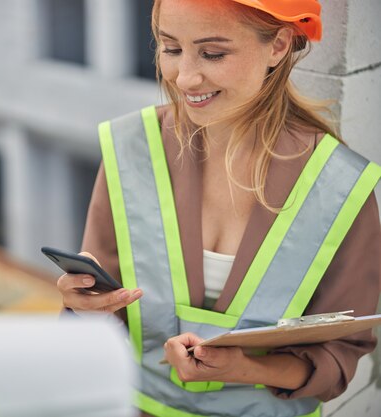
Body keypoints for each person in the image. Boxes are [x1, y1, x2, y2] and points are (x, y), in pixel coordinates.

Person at [56, 0, 381, 416]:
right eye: (170, 49)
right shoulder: (130, 149)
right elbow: (106, 321)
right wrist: (83, 307)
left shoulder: (340, 187)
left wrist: (245, 368)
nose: (184, 77)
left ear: (279, 46)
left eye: (212, 53)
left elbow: (338, 356)